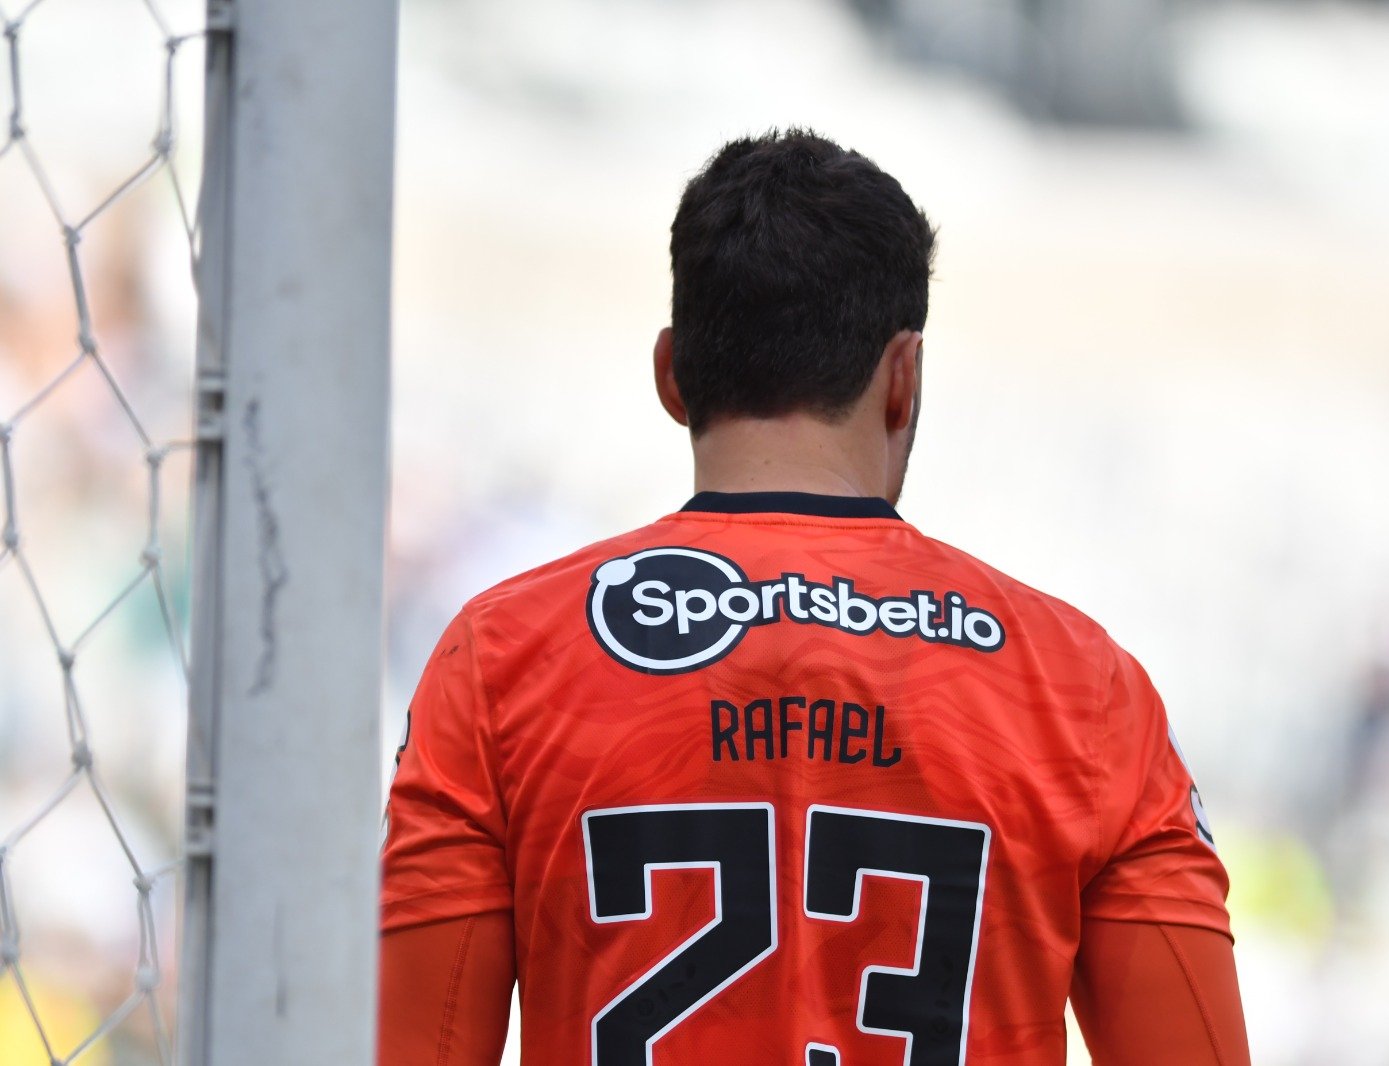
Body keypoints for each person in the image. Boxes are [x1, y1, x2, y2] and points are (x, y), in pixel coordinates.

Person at [379, 128, 1250, 1066]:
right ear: (903, 379)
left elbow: (410, 1047)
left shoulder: (501, 657)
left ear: (673, 374)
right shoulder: (1084, 688)